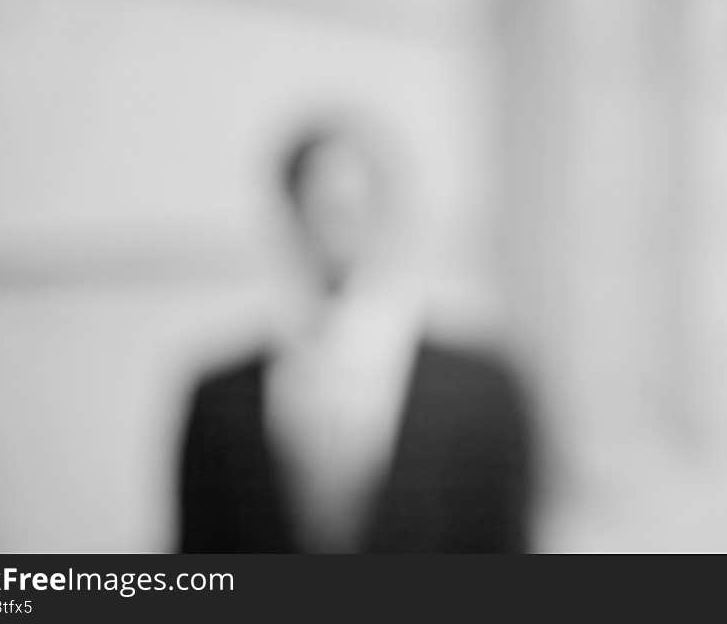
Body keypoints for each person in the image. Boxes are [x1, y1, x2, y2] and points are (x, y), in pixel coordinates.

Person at [178, 118, 533, 552]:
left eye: (352, 209)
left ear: (387, 214)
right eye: (321, 209)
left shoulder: (482, 391)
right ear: (292, 215)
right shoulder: (224, 399)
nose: (336, 231)